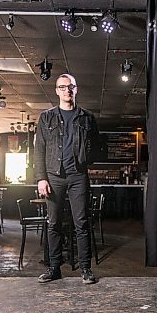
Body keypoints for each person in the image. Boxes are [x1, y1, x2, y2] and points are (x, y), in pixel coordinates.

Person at [34, 73, 100, 284]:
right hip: (54, 177)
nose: (67, 90)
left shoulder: (87, 117)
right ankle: (54, 268)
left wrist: (85, 158)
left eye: (70, 86)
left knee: (81, 222)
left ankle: (86, 269)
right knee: (53, 223)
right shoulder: (46, 117)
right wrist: (41, 178)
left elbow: (98, 146)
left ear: (76, 89)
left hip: (78, 176)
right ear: (57, 91)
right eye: (62, 87)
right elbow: (39, 149)